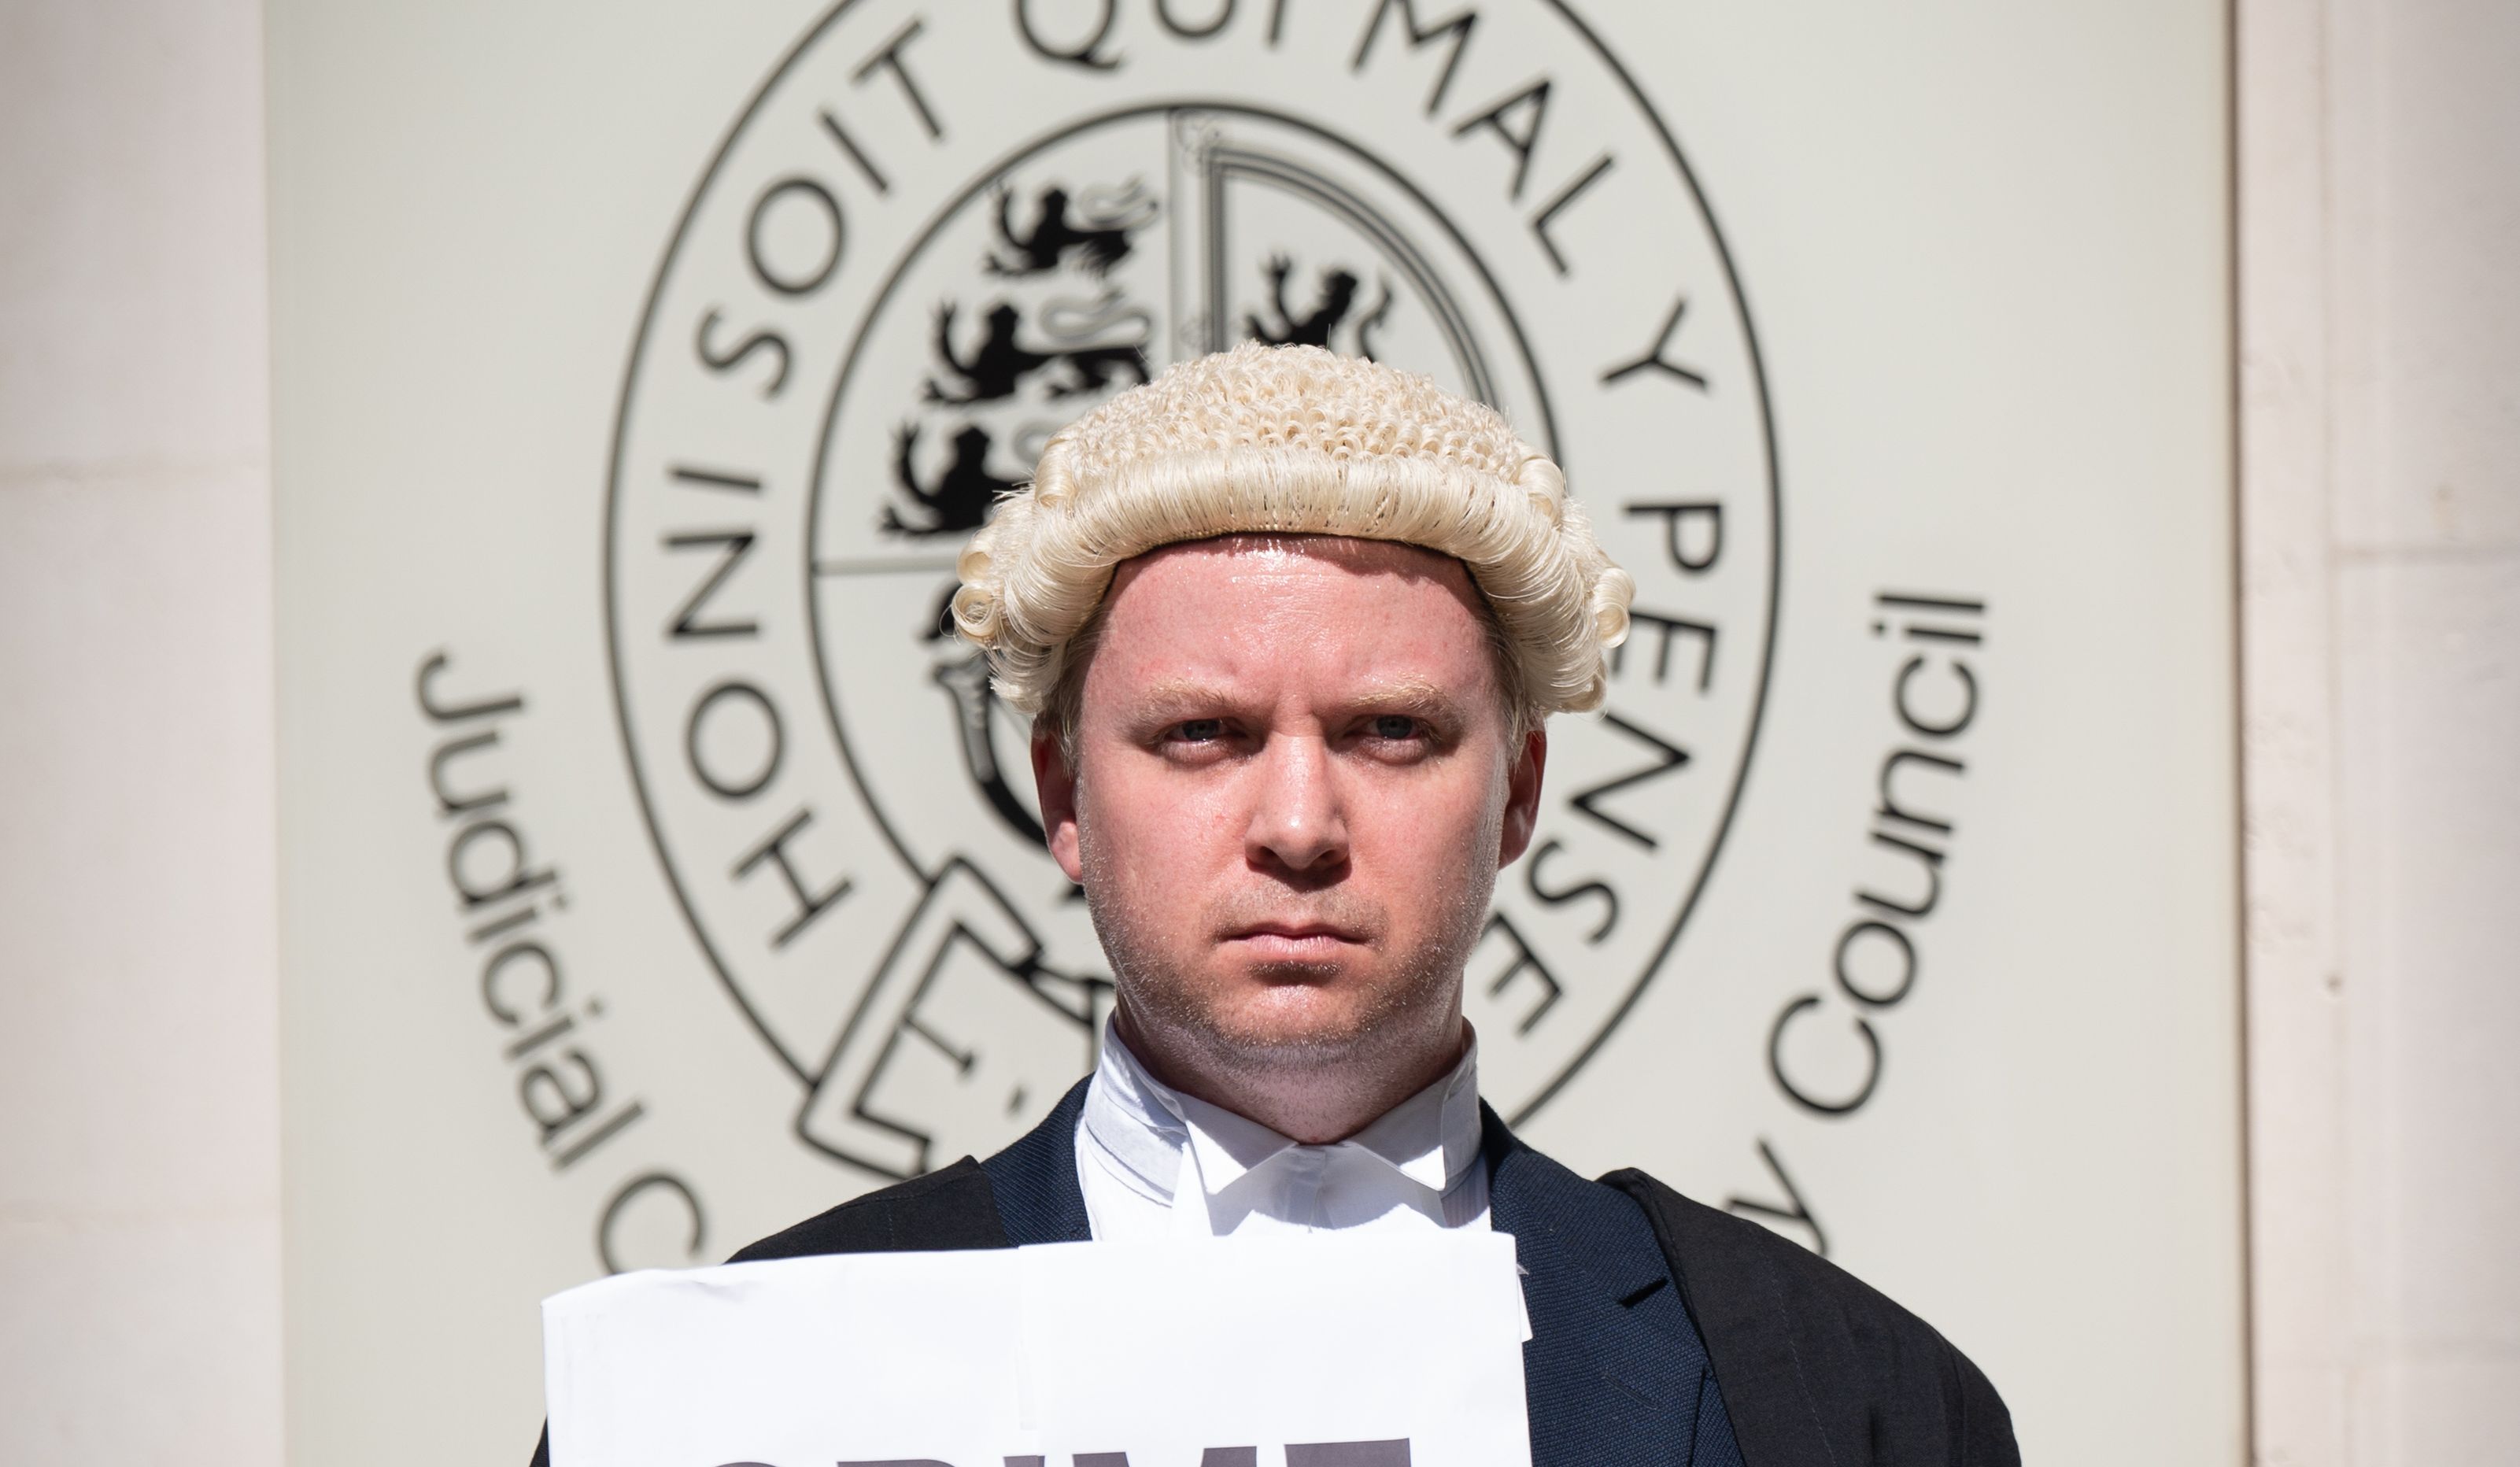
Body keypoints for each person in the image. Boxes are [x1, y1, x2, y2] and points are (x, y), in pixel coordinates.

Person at [533, 342, 2018, 1467]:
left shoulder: (1845, 1402)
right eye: (1203, 735)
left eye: (1390, 733)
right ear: (1059, 792)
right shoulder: (736, 1395)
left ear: (1517, 791)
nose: (1299, 825)